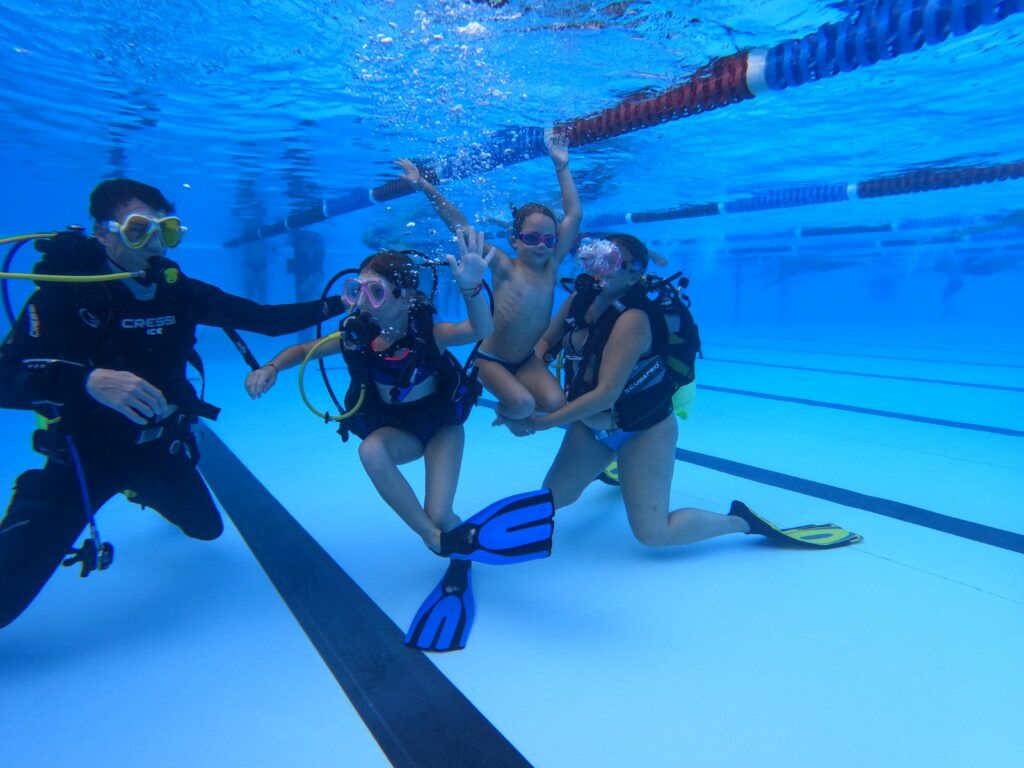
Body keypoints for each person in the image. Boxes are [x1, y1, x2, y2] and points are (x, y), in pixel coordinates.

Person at [0, 178, 351, 628]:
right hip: (82, 459)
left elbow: (265, 320)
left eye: (164, 231)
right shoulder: (64, 296)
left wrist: (343, 302)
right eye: (137, 230)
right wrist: (88, 380)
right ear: (102, 233)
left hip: (155, 447)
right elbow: (7, 379)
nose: (154, 244)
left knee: (206, 529)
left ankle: (138, 487)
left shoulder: (178, 291)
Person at [244, 229, 555, 651]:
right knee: (371, 451)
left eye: (375, 292)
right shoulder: (356, 335)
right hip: (401, 430)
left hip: (442, 425)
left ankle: (453, 546)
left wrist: (470, 287)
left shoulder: (431, 332)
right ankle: (435, 540)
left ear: (406, 295)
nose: (362, 302)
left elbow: (479, 328)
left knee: (441, 511)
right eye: (357, 290)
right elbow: (305, 351)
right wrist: (271, 367)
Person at [530, 234, 861, 550]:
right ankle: (614, 463)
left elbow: (605, 395)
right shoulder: (578, 301)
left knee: (653, 534)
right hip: (591, 428)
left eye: (614, 261)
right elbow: (546, 343)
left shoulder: (633, 319)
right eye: (596, 256)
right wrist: (527, 382)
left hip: (643, 431)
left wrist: (545, 421)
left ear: (633, 277)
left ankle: (740, 521)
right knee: (551, 497)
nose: (601, 268)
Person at [396, 128, 581, 435]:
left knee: (555, 402)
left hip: (526, 358)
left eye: (549, 239)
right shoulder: (506, 266)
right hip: (491, 359)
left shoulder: (552, 266)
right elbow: (462, 227)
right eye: (532, 238)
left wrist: (561, 165)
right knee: (522, 408)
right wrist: (425, 185)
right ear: (515, 240)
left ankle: (514, 404)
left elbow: (574, 216)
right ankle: (505, 411)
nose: (541, 245)